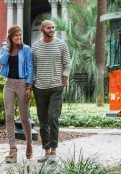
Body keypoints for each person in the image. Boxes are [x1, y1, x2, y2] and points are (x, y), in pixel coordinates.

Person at [32, 20, 71, 163]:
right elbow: (33, 67)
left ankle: (54, 151)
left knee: (53, 117)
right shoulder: (35, 47)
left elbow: (67, 64)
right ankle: (46, 151)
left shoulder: (61, 44)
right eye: (49, 28)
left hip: (56, 88)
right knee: (43, 121)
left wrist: (63, 82)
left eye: (53, 27)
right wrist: (34, 82)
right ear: (42, 30)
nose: (52, 29)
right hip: (40, 89)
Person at [0, 25, 34, 163]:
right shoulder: (5, 49)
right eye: (16, 36)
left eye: (20, 35)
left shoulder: (26, 49)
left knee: (24, 117)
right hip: (9, 84)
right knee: (9, 115)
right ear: (10, 38)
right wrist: (8, 48)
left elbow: (30, 68)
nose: (19, 38)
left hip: (23, 84)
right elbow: (1, 62)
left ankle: (29, 143)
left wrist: (29, 87)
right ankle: (12, 149)